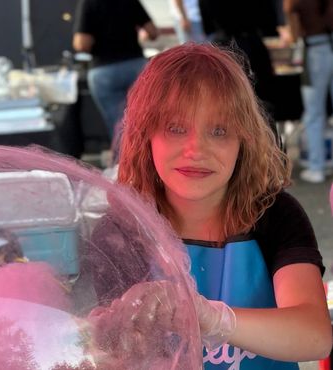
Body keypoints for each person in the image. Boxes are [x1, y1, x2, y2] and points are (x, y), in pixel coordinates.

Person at [113, 43, 332, 368]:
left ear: (245, 141)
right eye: (176, 128)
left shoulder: (275, 214)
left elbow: (314, 335)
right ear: (145, 135)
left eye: (219, 131)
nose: (196, 149)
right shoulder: (125, 224)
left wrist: (215, 319)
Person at [72, 0, 158, 140]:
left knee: (119, 127)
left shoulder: (88, 3)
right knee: (148, 120)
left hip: (103, 70)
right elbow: (153, 32)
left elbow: (82, 43)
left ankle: (125, 159)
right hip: (136, 66)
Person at [284, 0, 333, 183]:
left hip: (313, 51)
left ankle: (316, 166)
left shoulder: (295, 3)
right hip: (327, 44)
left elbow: (294, 35)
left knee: (313, 113)